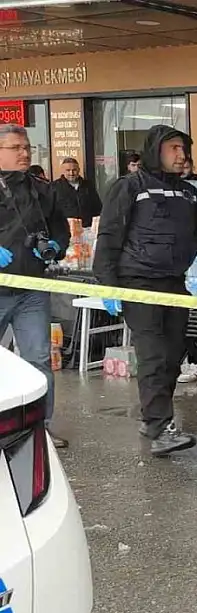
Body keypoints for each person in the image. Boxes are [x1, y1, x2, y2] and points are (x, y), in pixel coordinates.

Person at [94, 125, 197, 457]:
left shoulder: (190, 194)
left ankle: (152, 420)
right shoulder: (129, 188)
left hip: (175, 284)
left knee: (175, 355)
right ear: (155, 151)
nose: (182, 155)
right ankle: (160, 426)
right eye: (174, 148)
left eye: (184, 149)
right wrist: (109, 285)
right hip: (138, 284)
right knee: (154, 356)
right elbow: (109, 238)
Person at [0, 124, 70, 448]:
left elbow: (61, 230)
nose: (24, 153)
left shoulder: (42, 190)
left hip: (31, 290)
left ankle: (39, 427)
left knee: (38, 359)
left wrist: (57, 244)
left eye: (27, 147)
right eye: (15, 148)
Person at [51, 157, 102, 228]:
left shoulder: (88, 186)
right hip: (65, 230)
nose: (71, 173)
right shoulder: (54, 187)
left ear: (78, 170)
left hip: (87, 228)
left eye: (74, 170)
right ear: (63, 171)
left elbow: (97, 207)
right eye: (68, 170)